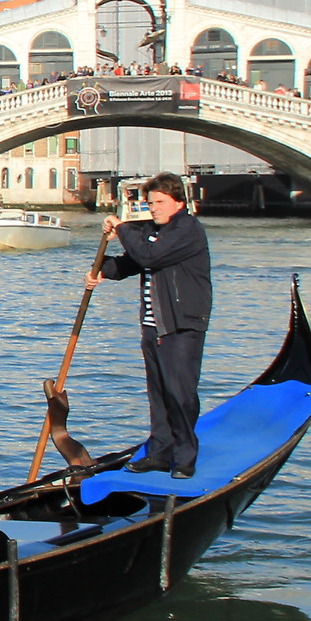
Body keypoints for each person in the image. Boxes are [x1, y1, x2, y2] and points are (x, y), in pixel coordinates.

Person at [86, 170, 213, 479]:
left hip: (181, 325)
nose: (152, 207)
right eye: (149, 202)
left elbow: (149, 256)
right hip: (153, 324)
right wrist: (102, 269)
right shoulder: (154, 231)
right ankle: (159, 453)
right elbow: (134, 261)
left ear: (178, 202)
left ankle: (184, 459)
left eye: (158, 202)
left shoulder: (187, 230)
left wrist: (122, 227)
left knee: (180, 394)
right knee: (157, 393)